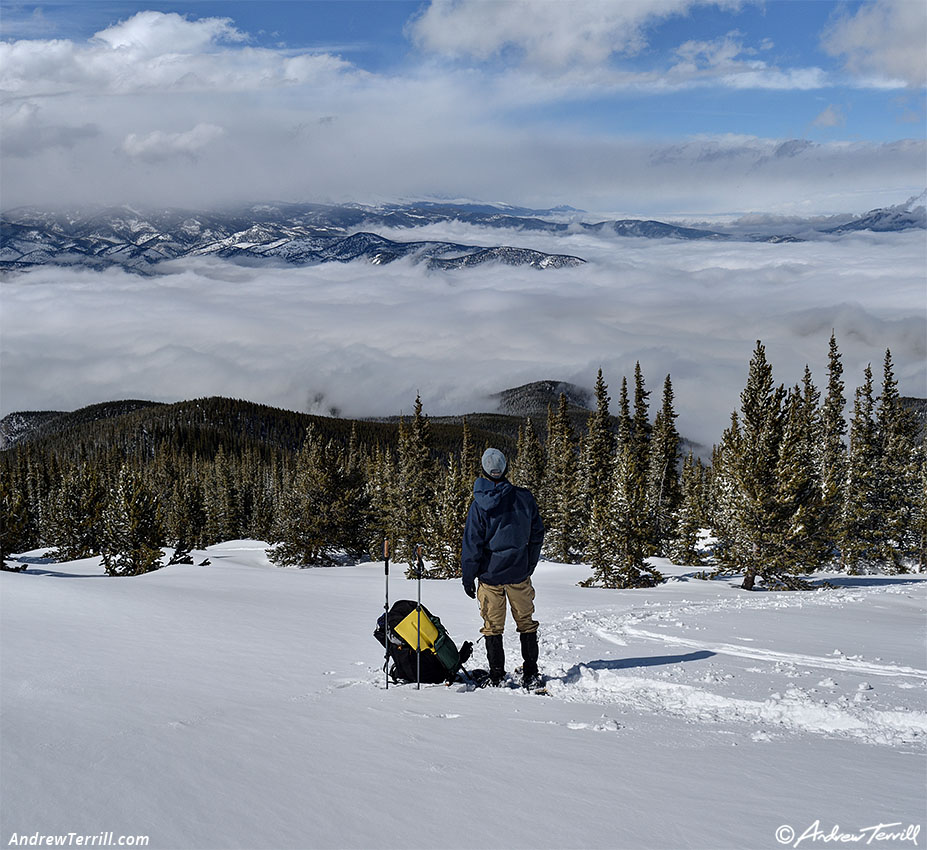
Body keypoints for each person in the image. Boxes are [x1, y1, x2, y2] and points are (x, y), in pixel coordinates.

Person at [461, 447, 545, 687]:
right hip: (519, 572)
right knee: (526, 622)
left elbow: (472, 545)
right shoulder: (524, 497)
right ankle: (530, 672)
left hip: (490, 576)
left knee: (492, 627)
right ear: (506, 469)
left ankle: (497, 675)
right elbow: (537, 533)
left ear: (485, 472)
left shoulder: (479, 505)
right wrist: (528, 563)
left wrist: (468, 577)